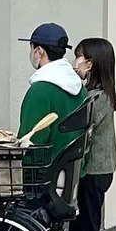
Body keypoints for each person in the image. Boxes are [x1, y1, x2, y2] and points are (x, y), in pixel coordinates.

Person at [71, 37, 116, 231]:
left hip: (93, 174)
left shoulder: (96, 98)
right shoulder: (103, 95)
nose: (75, 62)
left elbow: (79, 127)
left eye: (79, 57)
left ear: (91, 63)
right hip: (100, 172)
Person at [19, 22, 87, 168]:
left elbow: (32, 142)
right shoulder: (80, 87)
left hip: (44, 176)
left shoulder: (40, 91)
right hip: (73, 173)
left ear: (39, 51)